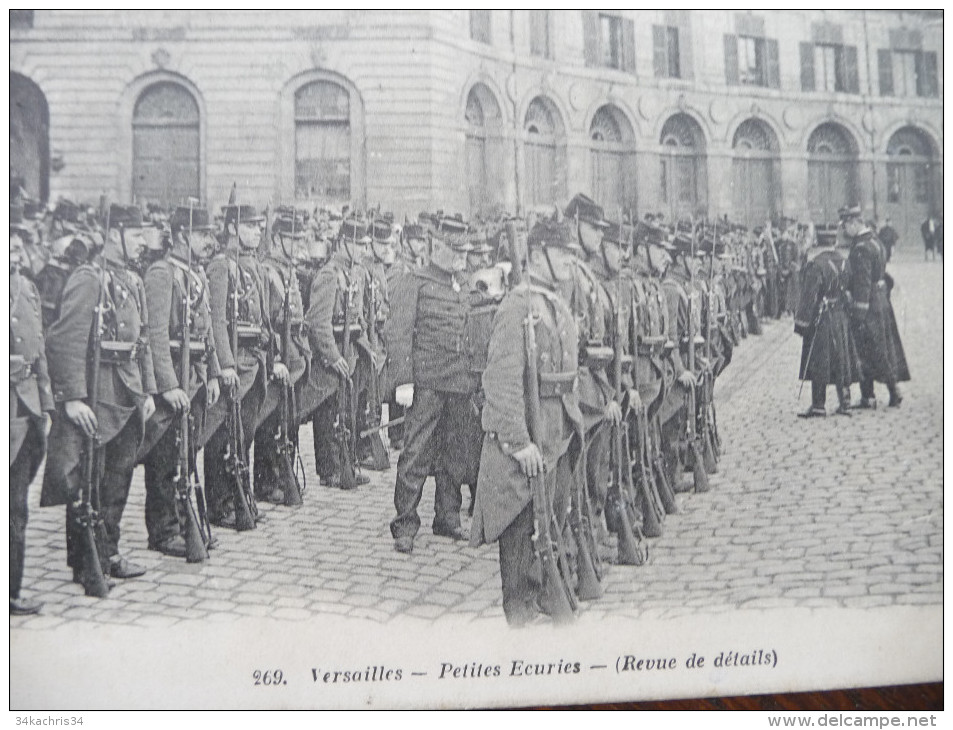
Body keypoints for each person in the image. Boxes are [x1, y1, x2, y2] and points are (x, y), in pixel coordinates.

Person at [469, 212, 585, 627]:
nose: (571, 261)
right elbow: (499, 380)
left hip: (556, 430)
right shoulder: (517, 305)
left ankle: (543, 596)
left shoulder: (553, 301)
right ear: (537, 255)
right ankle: (517, 619)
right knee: (520, 531)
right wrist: (518, 442)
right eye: (562, 253)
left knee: (551, 523)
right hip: (529, 435)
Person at [42, 205, 158, 591]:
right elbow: (64, 341)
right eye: (137, 234)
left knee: (118, 478)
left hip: (125, 390)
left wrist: (146, 389)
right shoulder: (88, 278)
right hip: (97, 391)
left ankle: (108, 551)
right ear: (114, 235)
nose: (144, 242)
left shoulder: (132, 279)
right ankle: (85, 560)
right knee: (88, 478)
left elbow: (143, 343)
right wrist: (73, 398)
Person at [135, 207, 222, 557]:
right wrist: (168, 385)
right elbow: (154, 333)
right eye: (202, 234)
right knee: (164, 457)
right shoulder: (161, 273)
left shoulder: (194, 274)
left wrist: (213, 371)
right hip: (172, 376)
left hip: (195, 377)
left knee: (186, 453)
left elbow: (208, 330)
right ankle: (164, 529)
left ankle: (185, 522)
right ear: (182, 236)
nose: (209, 241)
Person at [386, 214, 475, 553]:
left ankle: (447, 518)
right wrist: (404, 380)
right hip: (426, 383)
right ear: (435, 247)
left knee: (455, 454)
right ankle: (405, 524)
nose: (462, 258)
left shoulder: (464, 284)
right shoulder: (415, 282)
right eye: (455, 251)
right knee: (417, 453)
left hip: (459, 382)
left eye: (464, 252)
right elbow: (397, 334)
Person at [201, 198, 275, 528]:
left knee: (243, 435)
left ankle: (240, 495)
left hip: (253, 360)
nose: (257, 232)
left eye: (260, 226)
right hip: (235, 363)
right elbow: (216, 320)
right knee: (222, 436)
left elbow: (263, 319)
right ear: (232, 228)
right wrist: (225, 365)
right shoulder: (221, 266)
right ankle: (220, 505)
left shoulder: (251, 265)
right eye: (250, 226)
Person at [308, 214, 374, 490]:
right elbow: (317, 321)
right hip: (332, 353)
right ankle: (330, 468)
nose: (362, 250)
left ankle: (346, 461)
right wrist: (333, 356)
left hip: (352, 350)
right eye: (358, 244)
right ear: (343, 243)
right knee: (329, 412)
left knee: (347, 411)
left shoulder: (356, 273)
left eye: (364, 245)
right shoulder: (328, 275)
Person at [252, 206, 309, 504]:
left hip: (294, 355)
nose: (299, 245)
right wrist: (274, 359)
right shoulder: (267, 271)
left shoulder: (288, 271)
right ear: (277, 239)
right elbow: (265, 320)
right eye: (293, 239)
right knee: (270, 421)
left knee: (288, 421)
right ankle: (265, 482)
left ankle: (281, 475)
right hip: (277, 353)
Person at [10, 230, 54, 614]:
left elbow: (38, 350)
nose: (10, 252)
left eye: (14, 244)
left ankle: (11, 591)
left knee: (15, 507)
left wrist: (46, 404)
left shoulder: (26, 288)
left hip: (24, 412)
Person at [840, 206, 910, 409]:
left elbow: (862, 283)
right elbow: (883, 275)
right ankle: (884, 392)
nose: (845, 231)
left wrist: (858, 313)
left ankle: (877, 395)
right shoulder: (876, 241)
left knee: (866, 349)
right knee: (882, 348)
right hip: (881, 302)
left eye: (846, 226)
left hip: (867, 304)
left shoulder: (860, 248)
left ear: (855, 223)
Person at [794, 225, 859, 418]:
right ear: (834, 242)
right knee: (842, 357)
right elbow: (850, 289)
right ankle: (845, 402)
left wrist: (802, 324)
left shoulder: (816, 265)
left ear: (817, 242)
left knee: (819, 359)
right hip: (840, 316)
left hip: (822, 319)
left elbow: (808, 297)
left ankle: (818, 405)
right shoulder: (844, 262)